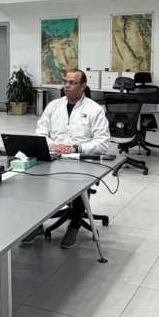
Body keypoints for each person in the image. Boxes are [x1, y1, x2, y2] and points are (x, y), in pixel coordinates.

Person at [21, 70, 110, 249]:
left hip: (80, 159)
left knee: (79, 183)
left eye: (72, 83)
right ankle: (37, 226)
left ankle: (74, 226)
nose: (66, 86)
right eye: (65, 82)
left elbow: (102, 143)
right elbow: (40, 133)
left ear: (83, 86)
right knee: (34, 181)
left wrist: (77, 148)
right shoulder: (53, 106)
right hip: (53, 156)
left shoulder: (95, 109)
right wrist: (52, 145)